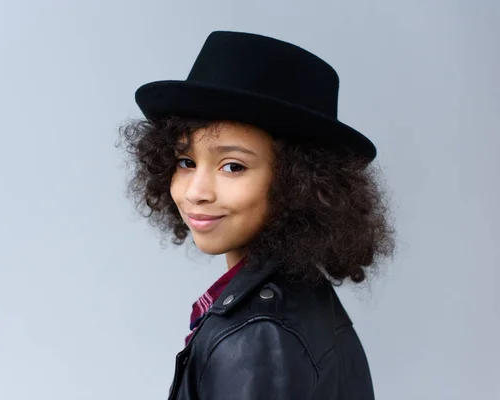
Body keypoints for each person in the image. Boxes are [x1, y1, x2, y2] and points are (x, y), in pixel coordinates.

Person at [117, 30, 396, 400]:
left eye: (232, 167)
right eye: (186, 162)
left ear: (298, 183)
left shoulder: (258, 339)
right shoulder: (305, 291)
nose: (197, 191)